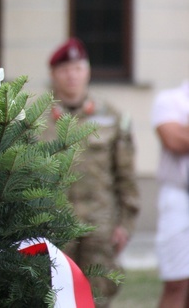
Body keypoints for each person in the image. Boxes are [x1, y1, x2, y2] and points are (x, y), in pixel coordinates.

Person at [43, 37, 139, 307]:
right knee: (53, 298)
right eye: (64, 70)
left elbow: (126, 176)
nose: (72, 75)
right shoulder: (36, 120)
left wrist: (126, 224)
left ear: (87, 71)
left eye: (77, 68)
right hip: (54, 226)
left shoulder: (111, 117)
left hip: (100, 226)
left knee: (97, 297)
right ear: (53, 74)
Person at [152, 79, 189, 307]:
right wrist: (179, 133)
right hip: (180, 197)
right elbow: (173, 140)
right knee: (177, 282)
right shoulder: (169, 99)